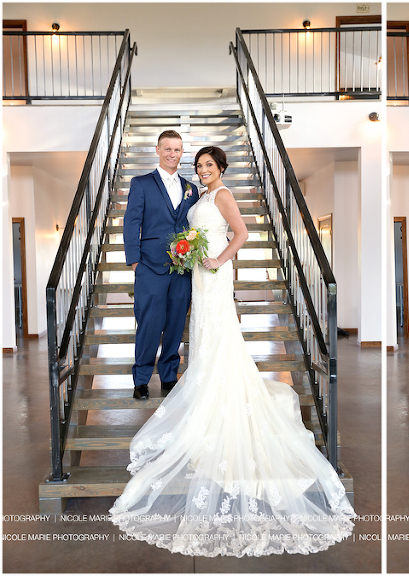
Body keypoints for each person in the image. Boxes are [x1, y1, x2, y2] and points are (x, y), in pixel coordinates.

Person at [110, 146, 355, 556]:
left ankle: (216, 391)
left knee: (218, 333)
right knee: (201, 333)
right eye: (200, 165)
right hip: (196, 277)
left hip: (215, 274)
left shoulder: (222, 195)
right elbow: (175, 228)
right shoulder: (198, 196)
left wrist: (219, 261)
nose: (203, 170)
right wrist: (187, 254)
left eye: (209, 165)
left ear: (221, 168)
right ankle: (192, 382)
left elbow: (241, 234)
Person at [123, 130, 199, 399]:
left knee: (176, 324)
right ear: (157, 150)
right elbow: (132, 223)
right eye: (167, 149)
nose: (172, 154)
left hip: (182, 270)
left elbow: (193, 225)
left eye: (177, 150)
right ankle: (141, 379)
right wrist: (134, 263)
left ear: (182, 153)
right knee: (149, 324)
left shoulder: (192, 188)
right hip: (150, 268)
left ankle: (168, 376)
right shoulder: (141, 183)